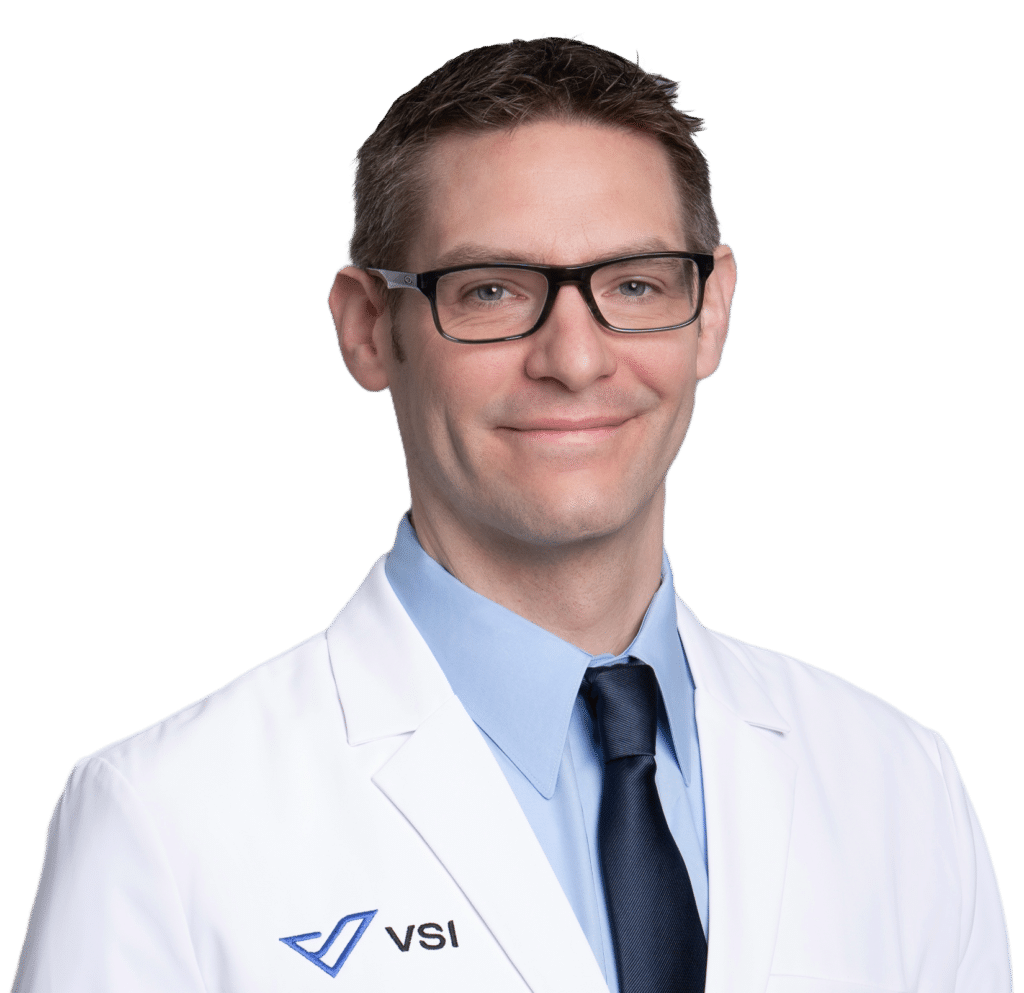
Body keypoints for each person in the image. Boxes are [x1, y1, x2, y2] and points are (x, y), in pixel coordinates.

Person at [12, 35, 1012, 993]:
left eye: (634, 284)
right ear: (368, 328)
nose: (574, 359)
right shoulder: (164, 820)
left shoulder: (896, 782)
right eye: (491, 290)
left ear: (711, 312)